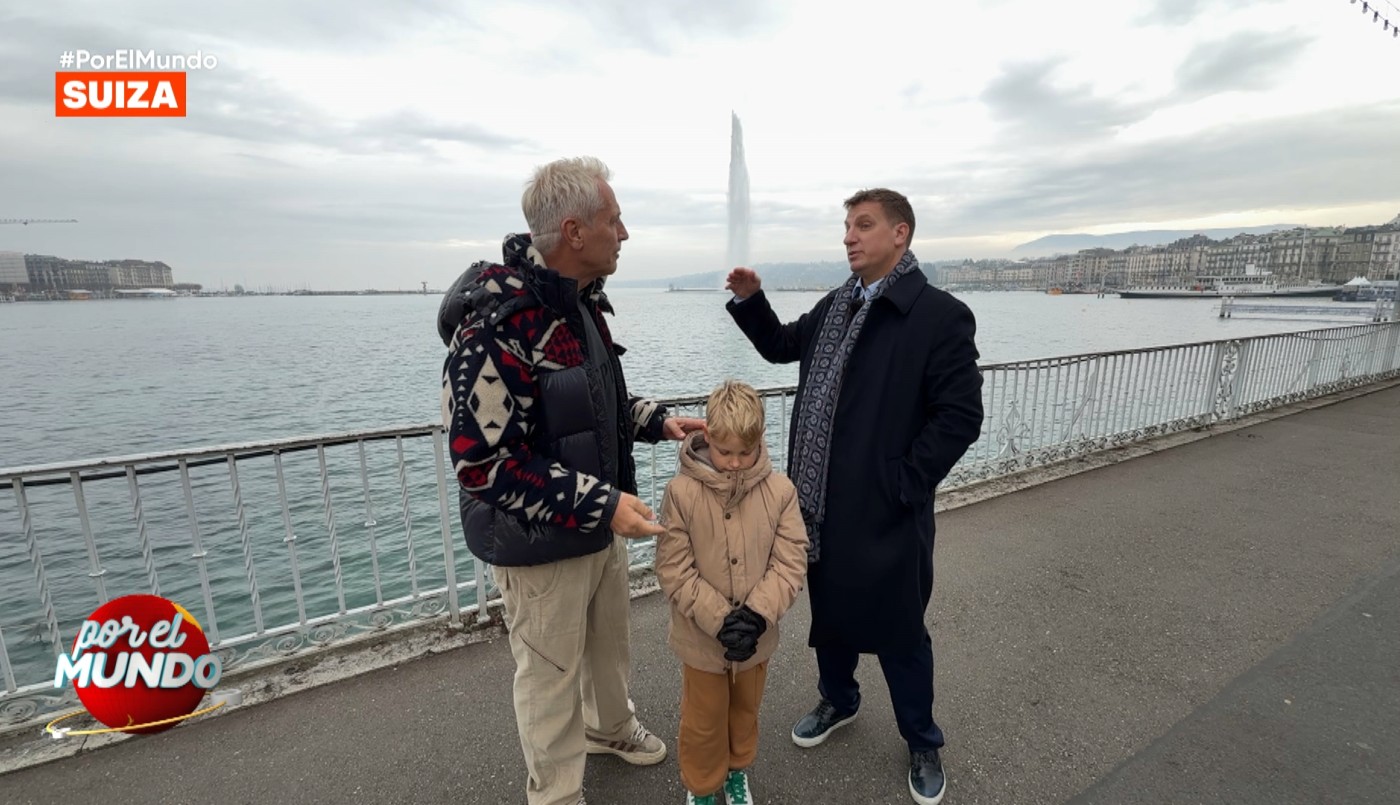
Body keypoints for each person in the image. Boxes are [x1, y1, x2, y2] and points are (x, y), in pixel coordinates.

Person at [439, 156, 706, 805]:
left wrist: (656, 421)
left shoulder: (578, 305)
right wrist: (602, 501)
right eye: (615, 219)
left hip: (595, 524)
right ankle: (555, 793)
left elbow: (592, 399)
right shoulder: (495, 325)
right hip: (537, 541)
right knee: (551, 674)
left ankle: (609, 728)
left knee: (608, 647)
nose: (626, 232)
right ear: (575, 230)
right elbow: (484, 462)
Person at [724, 188, 984, 805]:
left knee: (901, 631)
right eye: (846, 226)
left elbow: (959, 417)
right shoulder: (836, 306)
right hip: (820, 505)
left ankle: (922, 739)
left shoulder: (939, 316)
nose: (849, 236)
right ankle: (839, 701)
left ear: (901, 234)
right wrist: (750, 301)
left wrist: (903, 484)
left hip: (889, 510)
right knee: (832, 619)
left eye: (863, 225)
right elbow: (782, 345)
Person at [654, 380, 809, 805]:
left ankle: (736, 771)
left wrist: (758, 615)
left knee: (744, 714)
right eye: (725, 453)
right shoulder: (680, 493)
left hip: (756, 640)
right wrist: (720, 619)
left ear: (760, 442)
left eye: (745, 452)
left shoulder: (781, 492)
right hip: (702, 640)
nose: (735, 463)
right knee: (702, 720)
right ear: (707, 440)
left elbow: (791, 558)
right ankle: (702, 787)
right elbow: (673, 567)